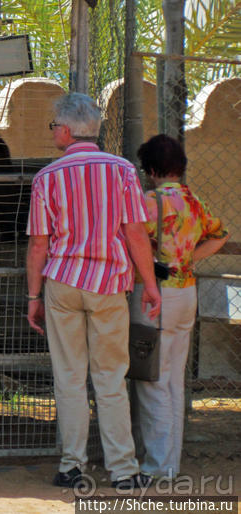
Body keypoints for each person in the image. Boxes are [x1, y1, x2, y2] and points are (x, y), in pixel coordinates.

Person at [25, 92, 161, 490]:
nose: (54, 133)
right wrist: (150, 285)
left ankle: (71, 466)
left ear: (65, 130)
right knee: (110, 379)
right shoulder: (121, 171)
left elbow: (38, 245)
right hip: (108, 286)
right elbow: (134, 233)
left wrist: (34, 297)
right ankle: (123, 470)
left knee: (69, 378)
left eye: (54, 127)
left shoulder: (47, 177)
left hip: (63, 283)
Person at [131, 134, 229, 479]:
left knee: (152, 378)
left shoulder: (149, 201)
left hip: (154, 294)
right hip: (187, 292)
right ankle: (168, 463)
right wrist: (185, 261)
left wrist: (160, 266)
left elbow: (132, 238)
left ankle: (157, 466)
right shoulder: (194, 200)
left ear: (152, 168)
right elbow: (221, 234)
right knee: (174, 381)